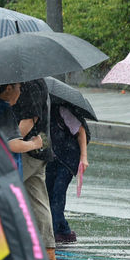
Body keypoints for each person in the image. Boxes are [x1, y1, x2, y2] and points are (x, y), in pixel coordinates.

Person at [14, 79, 57, 260]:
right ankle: (47, 249)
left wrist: (10, 141)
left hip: (29, 149)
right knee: (38, 198)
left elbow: (30, 119)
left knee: (0, 192)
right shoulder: (32, 82)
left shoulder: (31, 85)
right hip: (39, 147)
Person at [46, 103, 90, 243]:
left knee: (58, 193)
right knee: (47, 193)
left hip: (67, 158)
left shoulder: (61, 110)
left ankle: (51, 234)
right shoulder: (36, 110)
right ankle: (64, 231)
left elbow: (81, 131)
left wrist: (83, 157)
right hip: (51, 158)